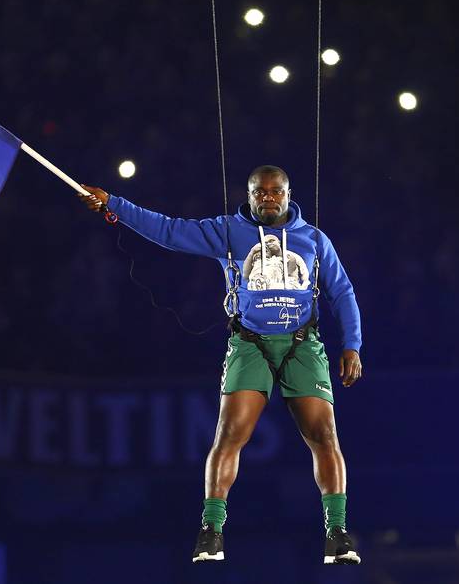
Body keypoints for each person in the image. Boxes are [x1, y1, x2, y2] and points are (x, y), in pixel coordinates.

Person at [79, 164, 364, 565]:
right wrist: (116, 205)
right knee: (230, 433)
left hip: (304, 344)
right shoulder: (228, 231)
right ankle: (211, 531)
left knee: (324, 434)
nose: (269, 198)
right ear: (249, 196)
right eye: (260, 192)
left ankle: (337, 533)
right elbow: (168, 230)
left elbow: (342, 291)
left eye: (275, 191)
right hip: (250, 344)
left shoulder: (314, 239)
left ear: (288, 193)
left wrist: (352, 344)